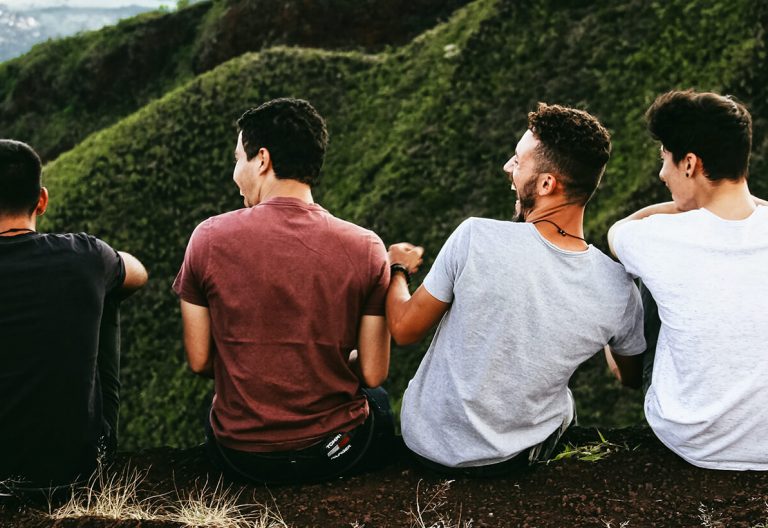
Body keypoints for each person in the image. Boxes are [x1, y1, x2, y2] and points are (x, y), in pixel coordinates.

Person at [386, 103, 646, 475]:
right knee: (565, 403)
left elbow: (404, 329)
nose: (508, 167)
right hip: (513, 460)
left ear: (546, 184)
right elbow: (630, 377)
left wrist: (397, 268)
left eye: (518, 161)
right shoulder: (619, 289)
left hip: (426, 445)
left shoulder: (474, 237)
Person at [173, 98, 394, 484]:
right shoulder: (367, 247)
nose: (234, 172)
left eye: (238, 158)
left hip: (240, 456)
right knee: (379, 401)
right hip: (334, 453)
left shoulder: (207, 238)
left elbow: (200, 361)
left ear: (262, 160)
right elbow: (373, 372)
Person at [607, 90, 768, 470]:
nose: (662, 174)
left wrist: (680, 207)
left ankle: (628, 375)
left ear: (690, 163)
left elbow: (617, 233)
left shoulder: (657, 236)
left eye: (664, 159)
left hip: (693, 439)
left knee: (637, 278)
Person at [0, 139, 148, 490]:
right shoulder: (86, 255)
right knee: (109, 288)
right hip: (77, 470)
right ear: (42, 200)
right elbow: (138, 274)